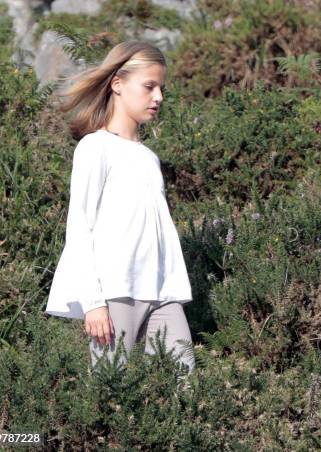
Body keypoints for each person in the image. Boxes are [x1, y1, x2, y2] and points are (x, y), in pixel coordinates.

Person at [44, 41, 195, 375]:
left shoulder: (148, 156)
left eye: (161, 88)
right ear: (117, 85)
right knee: (112, 389)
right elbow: (80, 226)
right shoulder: (95, 147)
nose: (159, 97)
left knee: (184, 385)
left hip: (162, 291)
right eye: (149, 86)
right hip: (114, 293)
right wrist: (94, 303)